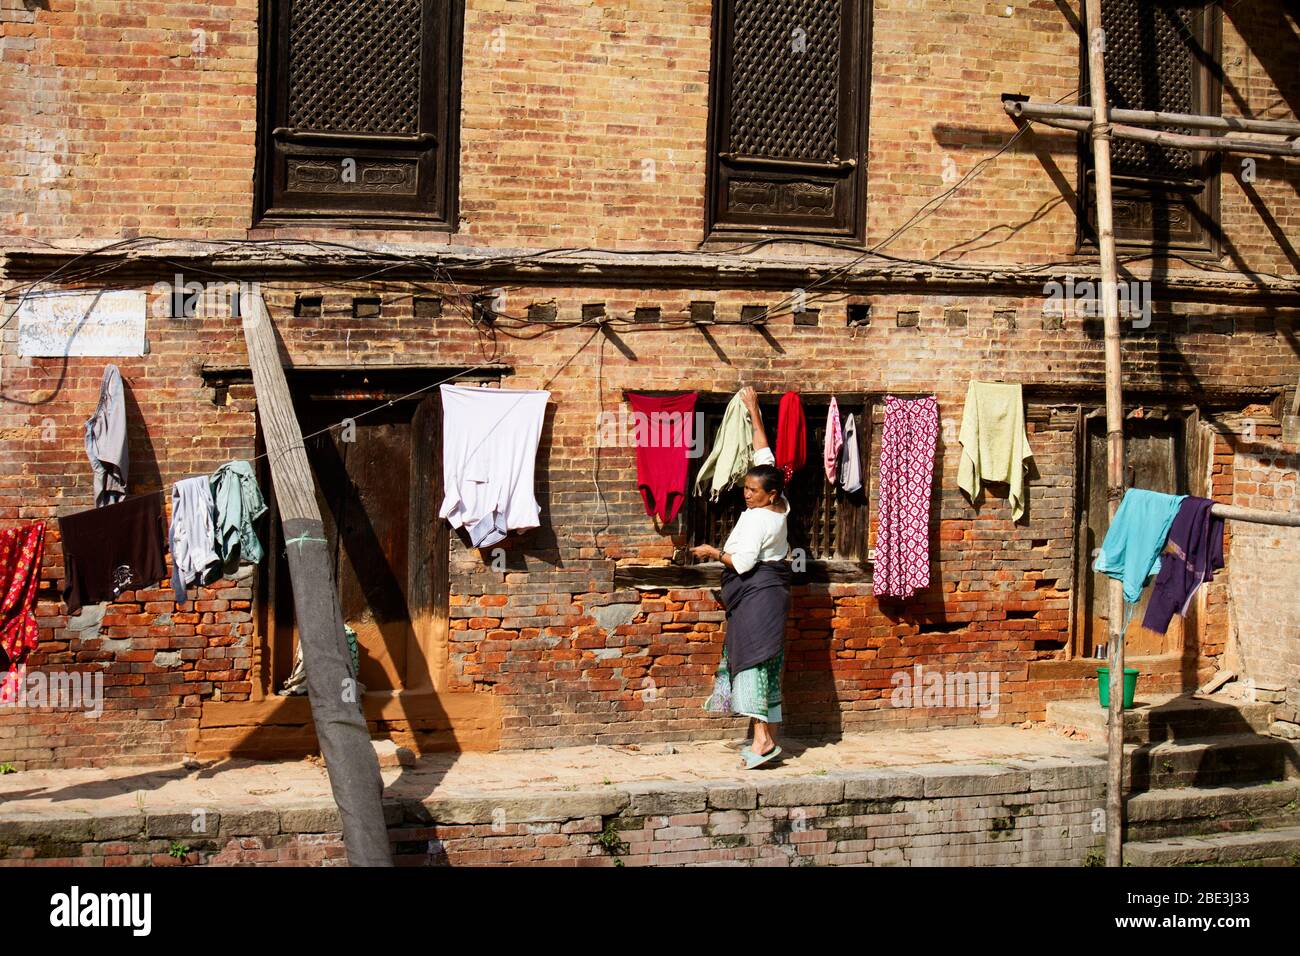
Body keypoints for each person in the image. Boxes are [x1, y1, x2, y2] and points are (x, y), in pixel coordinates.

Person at [692, 386, 792, 769]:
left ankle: (763, 739)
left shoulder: (759, 521)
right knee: (763, 661)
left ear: (768, 495)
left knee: (752, 660)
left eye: (752, 490)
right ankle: (764, 737)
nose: (745, 494)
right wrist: (754, 411)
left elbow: (744, 564)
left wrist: (713, 553)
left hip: (757, 595)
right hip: (769, 595)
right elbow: (764, 454)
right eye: (746, 488)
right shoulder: (782, 503)